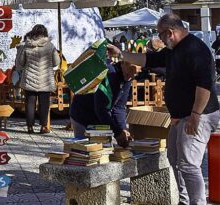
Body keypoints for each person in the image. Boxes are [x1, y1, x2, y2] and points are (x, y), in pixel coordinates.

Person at [108, 13, 220, 205]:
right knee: (174, 158)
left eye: (160, 35)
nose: (158, 38)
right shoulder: (173, 49)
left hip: (199, 115)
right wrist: (120, 54)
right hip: (181, 116)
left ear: (170, 32)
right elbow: (147, 60)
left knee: (189, 164)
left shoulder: (196, 49)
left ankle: (197, 202)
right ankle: (184, 201)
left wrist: (195, 115)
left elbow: (205, 86)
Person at [69, 60, 133, 147]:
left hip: (99, 119)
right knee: (86, 153)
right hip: (82, 113)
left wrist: (123, 129)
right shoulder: (109, 74)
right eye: (130, 71)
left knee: (103, 153)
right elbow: (101, 109)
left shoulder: (128, 78)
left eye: (135, 73)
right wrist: (118, 133)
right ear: (122, 64)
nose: (131, 76)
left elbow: (119, 107)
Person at [16, 24, 60, 134]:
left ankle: (30, 127)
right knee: (44, 104)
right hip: (45, 79)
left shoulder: (27, 45)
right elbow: (57, 62)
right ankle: (43, 127)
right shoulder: (50, 46)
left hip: (29, 78)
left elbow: (20, 63)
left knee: (30, 104)